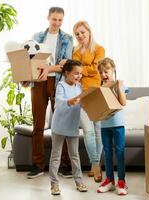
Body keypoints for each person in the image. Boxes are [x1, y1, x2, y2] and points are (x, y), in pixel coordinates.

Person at [25, 7, 74, 179]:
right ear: (48, 18)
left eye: (60, 20)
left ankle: (65, 165)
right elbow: (29, 60)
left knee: (61, 122)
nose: (57, 23)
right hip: (38, 81)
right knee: (38, 123)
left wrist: (49, 68)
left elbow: (65, 65)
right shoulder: (37, 37)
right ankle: (37, 165)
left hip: (58, 82)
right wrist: (27, 76)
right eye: (54, 19)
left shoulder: (67, 39)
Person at [72, 20, 105, 182]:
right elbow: (75, 71)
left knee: (98, 130)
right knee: (88, 131)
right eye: (77, 34)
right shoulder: (76, 51)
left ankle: (94, 166)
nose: (80, 36)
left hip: (97, 93)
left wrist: (83, 70)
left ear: (89, 32)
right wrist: (86, 70)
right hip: (82, 95)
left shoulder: (99, 49)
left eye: (82, 32)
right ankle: (96, 164)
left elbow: (96, 68)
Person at [49, 60, 87, 195]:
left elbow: (81, 104)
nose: (78, 76)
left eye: (80, 74)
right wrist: (69, 101)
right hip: (59, 127)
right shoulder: (61, 85)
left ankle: (79, 182)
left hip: (72, 127)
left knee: (74, 156)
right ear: (67, 73)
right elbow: (58, 103)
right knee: (56, 156)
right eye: (76, 73)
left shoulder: (79, 87)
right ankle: (54, 184)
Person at [96, 58, 128, 195]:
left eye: (106, 71)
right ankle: (109, 180)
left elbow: (123, 103)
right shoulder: (100, 89)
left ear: (113, 69)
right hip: (105, 125)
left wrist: (119, 86)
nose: (104, 74)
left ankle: (121, 181)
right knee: (107, 153)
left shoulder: (119, 85)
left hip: (118, 125)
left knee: (120, 152)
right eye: (101, 72)